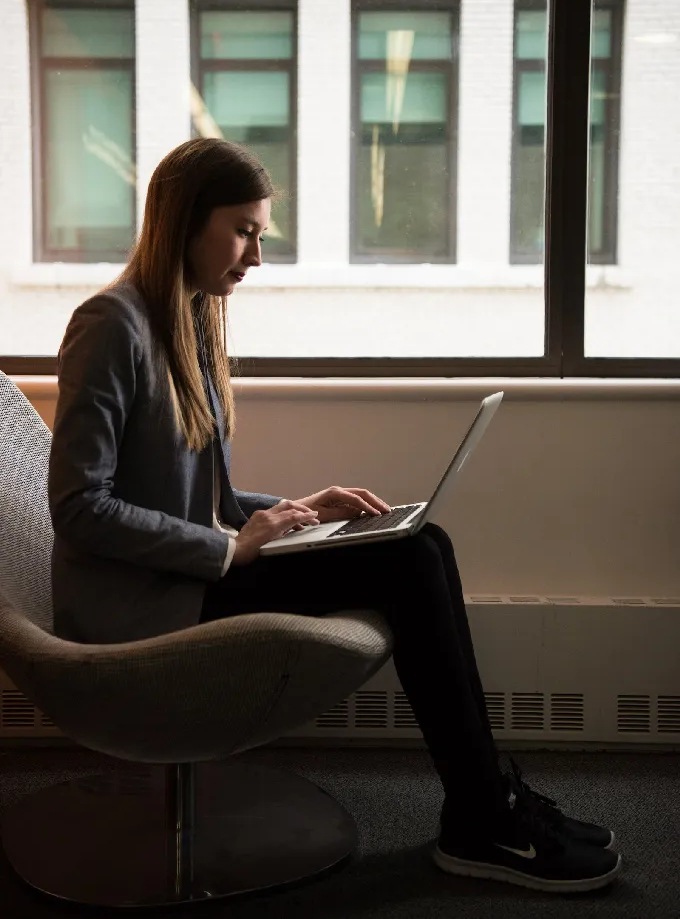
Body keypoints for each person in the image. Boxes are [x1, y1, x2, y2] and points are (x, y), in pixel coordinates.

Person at [48, 137, 622, 896]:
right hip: (138, 606)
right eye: (244, 230)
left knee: (423, 539)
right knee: (412, 561)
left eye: (260, 233)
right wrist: (231, 552)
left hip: (187, 572)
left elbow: (204, 501)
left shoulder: (190, 318)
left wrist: (292, 509)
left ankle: (488, 801)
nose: (256, 254)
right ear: (186, 221)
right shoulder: (110, 325)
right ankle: (485, 814)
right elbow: (79, 507)